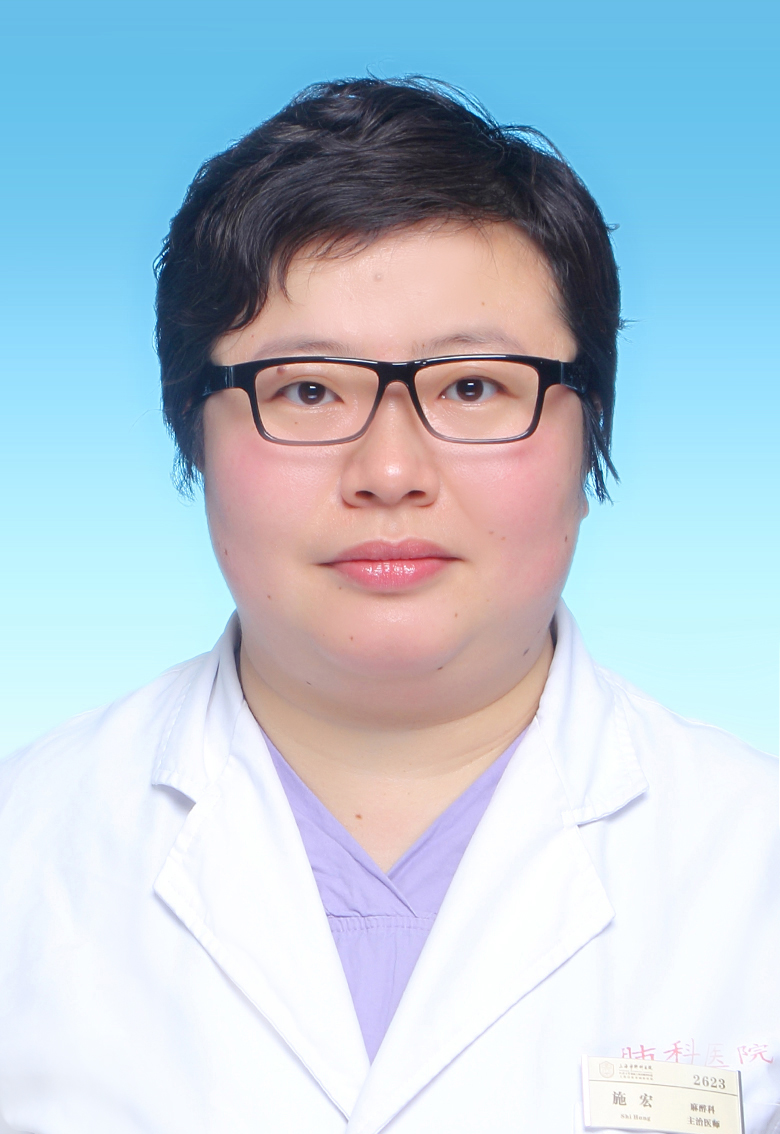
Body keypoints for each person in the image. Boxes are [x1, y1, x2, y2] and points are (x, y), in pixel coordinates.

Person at [0, 77, 777, 1134]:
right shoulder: (28, 852)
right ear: (192, 432)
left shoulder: (754, 866)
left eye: (473, 386)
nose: (392, 471)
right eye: (308, 390)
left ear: (589, 428)